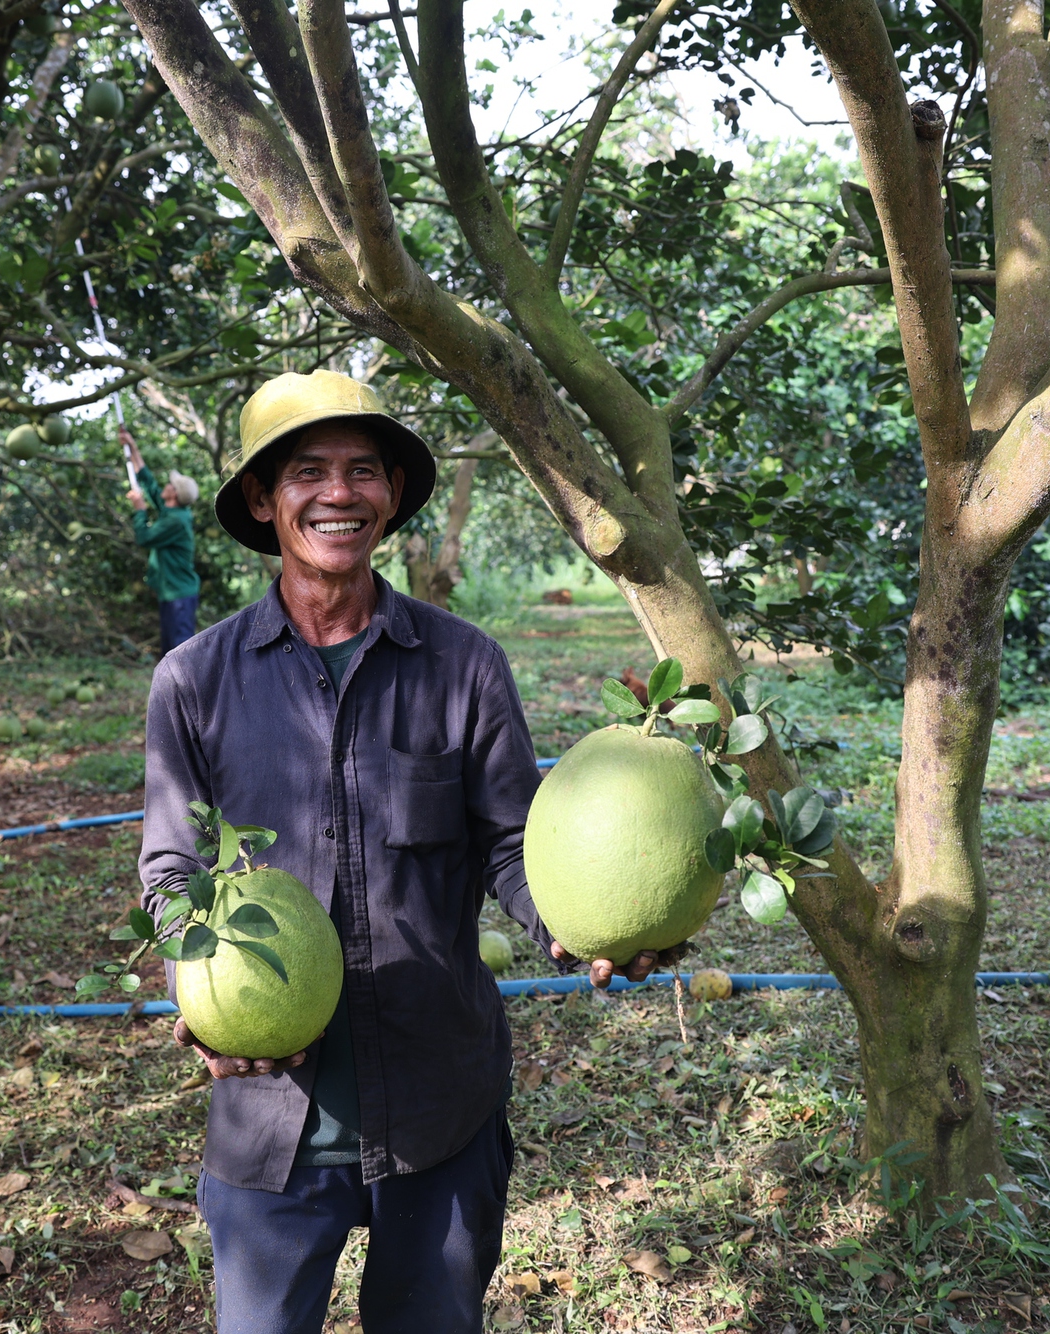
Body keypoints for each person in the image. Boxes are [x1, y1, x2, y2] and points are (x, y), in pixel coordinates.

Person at [138, 369, 670, 1334]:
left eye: (363, 470)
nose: (338, 493)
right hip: (270, 1120)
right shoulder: (194, 681)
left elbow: (514, 842)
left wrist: (578, 925)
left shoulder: (463, 665)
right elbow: (172, 872)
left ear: (390, 493)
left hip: (439, 1105)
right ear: (264, 499)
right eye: (307, 471)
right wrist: (203, 994)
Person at [122, 426, 202, 653]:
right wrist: (131, 446)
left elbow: (144, 538)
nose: (165, 485)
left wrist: (140, 510)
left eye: (170, 484)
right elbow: (148, 483)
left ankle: (189, 689)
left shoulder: (175, 521)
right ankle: (172, 689)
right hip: (172, 593)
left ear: (173, 494)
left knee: (180, 651)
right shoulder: (172, 511)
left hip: (180, 595)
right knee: (169, 650)